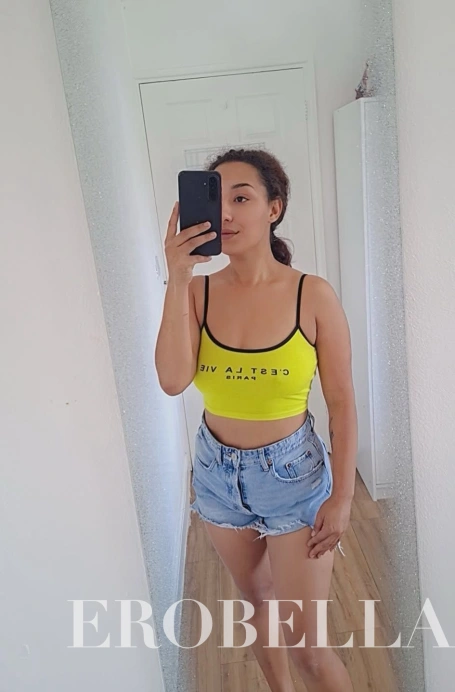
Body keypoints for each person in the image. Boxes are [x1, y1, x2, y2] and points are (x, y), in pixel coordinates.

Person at [155, 148, 358, 692]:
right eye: (215, 198)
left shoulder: (311, 295)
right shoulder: (196, 293)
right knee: (257, 602)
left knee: (309, 650)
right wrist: (176, 277)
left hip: (294, 478)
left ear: (274, 208)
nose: (225, 211)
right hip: (216, 476)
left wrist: (341, 498)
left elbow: (341, 402)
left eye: (241, 197)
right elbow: (172, 380)